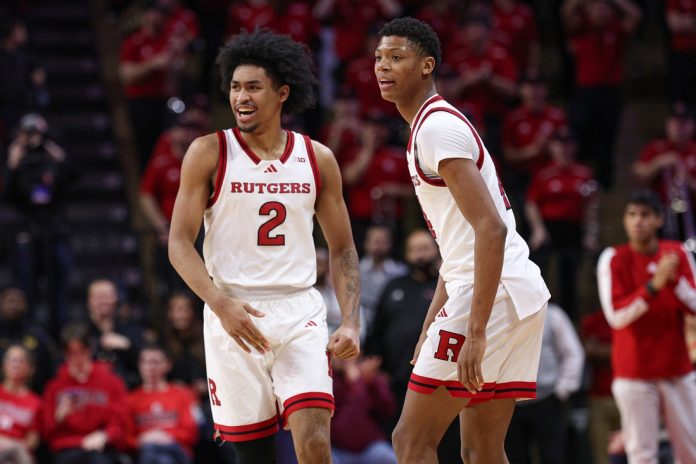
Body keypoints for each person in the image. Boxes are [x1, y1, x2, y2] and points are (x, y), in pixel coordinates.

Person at [168, 29, 361, 464]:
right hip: (232, 310)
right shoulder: (208, 152)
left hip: (298, 311)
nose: (242, 97)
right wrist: (220, 303)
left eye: (253, 87)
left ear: (282, 93)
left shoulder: (317, 158)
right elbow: (178, 243)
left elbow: (343, 248)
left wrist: (351, 320)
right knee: (254, 457)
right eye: (235, 87)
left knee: (315, 442)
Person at [375, 17, 550, 463]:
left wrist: (475, 330)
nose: (383, 66)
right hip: (515, 292)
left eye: (396, 57)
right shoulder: (432, 125)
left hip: (491, 294)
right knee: (482, 451)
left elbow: (490, 229)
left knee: (410, 441)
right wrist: (429, 326)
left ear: (427, 65)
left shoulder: (436, 128)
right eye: (379, 57)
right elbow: (459, 249)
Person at [596, 190, 696, 463]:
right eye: (632, 215)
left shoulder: (677, 253)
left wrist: (674, 281)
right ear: (625, 220)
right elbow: (616, 316)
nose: (637, 221)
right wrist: (653, 286)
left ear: (659, 219)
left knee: (691, 452)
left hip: (677, 369)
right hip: (634, 372)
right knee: (641, 455)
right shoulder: (613, 258)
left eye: (644, 215)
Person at [504, 303, 585, 464]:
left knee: (552, 456)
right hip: (510, 404)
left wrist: (562, 389)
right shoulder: (501, 315)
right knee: (514, 458)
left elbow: (573, 354)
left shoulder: (552, 314)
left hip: (547, 400)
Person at [42, 323, 130, 464]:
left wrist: (105, 435)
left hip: (101, 448)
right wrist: (58, 417)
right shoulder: (55, 386)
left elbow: (120, 421)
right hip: (67, 449)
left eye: (81, 352)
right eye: (71, 354)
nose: (77, 359)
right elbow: (46, 431)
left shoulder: (110, 381)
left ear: (90, 350)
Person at [127, 344, 200, 464]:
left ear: (167, 365)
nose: (151, 367)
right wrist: (144, 439)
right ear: (139, 365)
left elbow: (191, 433)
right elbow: (126, 438)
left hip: (176, 450)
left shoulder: (183, 394)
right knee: (154, 454)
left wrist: (165, 436)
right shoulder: (131, 399)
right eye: (146, 362)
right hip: (145, 451)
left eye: (156, 362)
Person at [330, 356, 397, 464]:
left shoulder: (369, 377)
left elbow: (388, 409)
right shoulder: (328, 381)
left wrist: (366, 382)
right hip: (338, 450)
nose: (342, 358)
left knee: (389, 458)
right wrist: (352, 382)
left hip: (369, 449)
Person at [0, 345, 41, 464]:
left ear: (30, 369)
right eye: (11, 360)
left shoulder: (35, 402)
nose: (15, 365)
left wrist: (14, 447)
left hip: (17, 455)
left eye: (20, 361)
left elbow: (33, 441)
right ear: (4, 365)